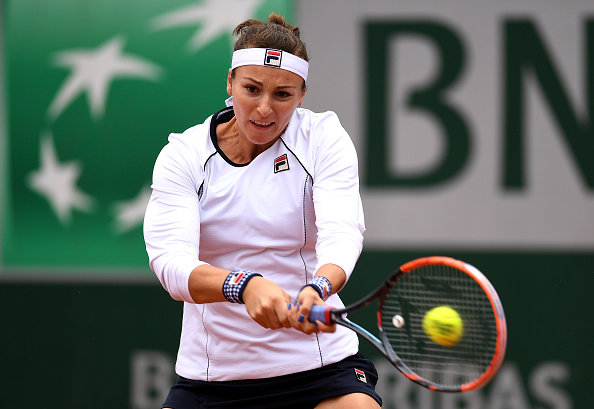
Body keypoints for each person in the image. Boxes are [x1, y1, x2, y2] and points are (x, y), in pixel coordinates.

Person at [144, 13, 381, 409]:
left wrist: (319, 288)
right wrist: (244, 285)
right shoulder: (183, 156)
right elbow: (171, 264)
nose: (265, 109)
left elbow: (342, 234)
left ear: (302, 95)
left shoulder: (322, 139)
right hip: (214, 378)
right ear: (230, 83)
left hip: (320, 369)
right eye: (251, 89)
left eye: (283, 94)